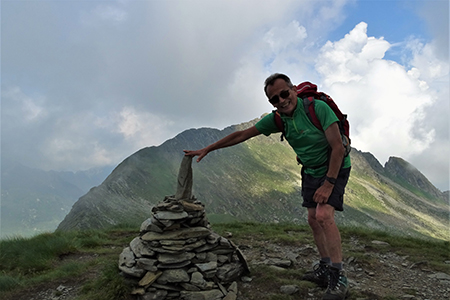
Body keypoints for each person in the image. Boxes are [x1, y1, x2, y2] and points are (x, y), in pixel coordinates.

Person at [183, 73, 351, 300]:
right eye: (274, 99)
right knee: (312, 219)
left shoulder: (317, 108)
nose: (281, 101)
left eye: (284, 94)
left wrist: (329, 184)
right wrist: (208, 149)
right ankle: (324, 266)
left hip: (335, 165)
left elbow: (338, 148)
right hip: (311, 169)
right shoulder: (278, 119)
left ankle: (338, 275)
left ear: (293, 90)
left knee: (323, 215)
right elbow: (242, 134)